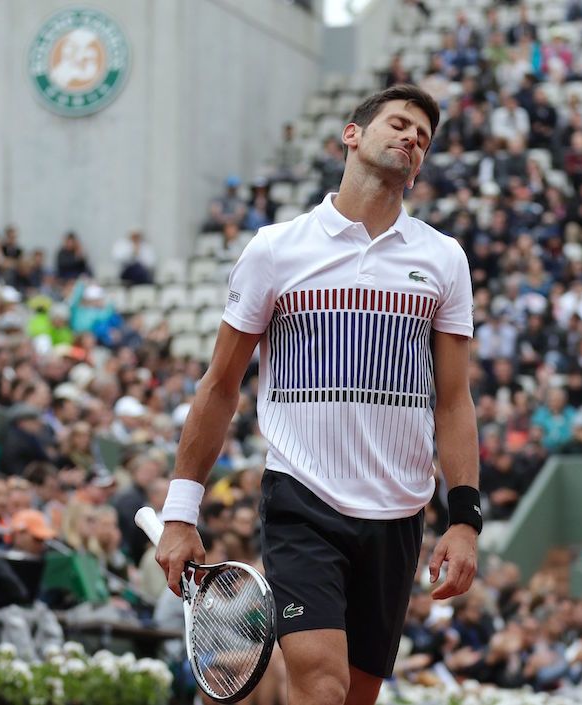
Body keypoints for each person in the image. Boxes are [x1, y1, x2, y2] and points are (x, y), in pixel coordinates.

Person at [156, 85, 480, 705]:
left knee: (354, 698)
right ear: (352, 135)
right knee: (321, 686)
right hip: (303, 498)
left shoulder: (444, 260)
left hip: (399, 511)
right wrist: (180, 512)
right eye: (399, 123)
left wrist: (464, 520)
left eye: (424, 137)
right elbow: (220, 386)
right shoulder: (275, 250)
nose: (412, 138)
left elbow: (454, 401)